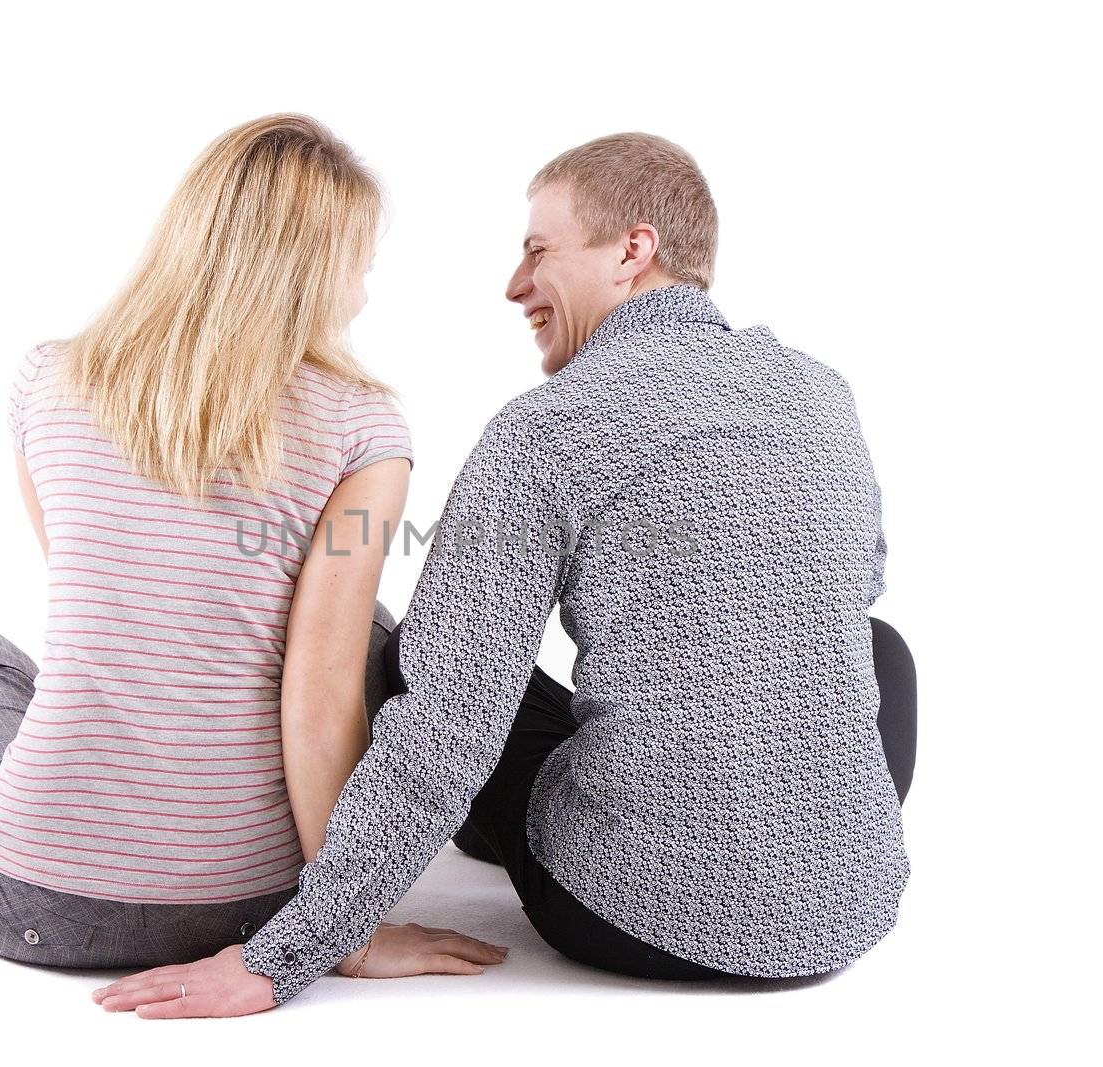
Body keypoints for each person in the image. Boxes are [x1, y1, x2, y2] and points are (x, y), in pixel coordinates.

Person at [93, 132, 916, 1019]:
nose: (515, 286)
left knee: (416, 657)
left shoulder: (545, 430)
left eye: (538, 251)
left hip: (631, 915)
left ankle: (570, 835)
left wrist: (283, 953)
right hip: (850, 909)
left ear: (633, 251)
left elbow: (448, 723)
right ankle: (803, 844)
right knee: (878, 648)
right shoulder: (822, 392)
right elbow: (853, 579)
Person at [0, 114, 507, 983]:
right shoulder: (364, 426)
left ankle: (80, 796)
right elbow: (320, 697)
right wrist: (346, 930)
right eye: (358, 267)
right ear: (305, 271)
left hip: (35, 905)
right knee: (359, 624)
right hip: (256, 903)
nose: (363, 295)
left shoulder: (47, 380)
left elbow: (95, 591)